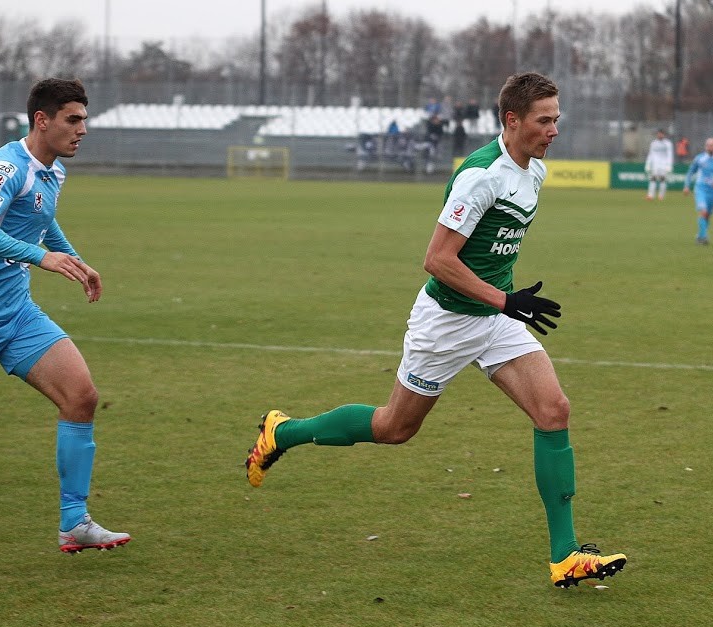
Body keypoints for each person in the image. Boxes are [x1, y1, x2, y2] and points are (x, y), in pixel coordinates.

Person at [245, 72, 626, 589]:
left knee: (553, 410)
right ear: (512, 120)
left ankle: (566, 555)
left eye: (557, 119)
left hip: (494, 318)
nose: (554, 130)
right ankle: (282, 432)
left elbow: (493, 248)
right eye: (544, 120)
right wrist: (506, 299)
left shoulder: (533, 170)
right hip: (446, 323)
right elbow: (438, 259)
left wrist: (503, 302)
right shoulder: (481, 176)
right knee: (394, 428)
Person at [0, 78, 131, 553]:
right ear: (42, 120)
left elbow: (41, 216)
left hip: (12, 315)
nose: (82, 130)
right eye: (73, 120)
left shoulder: (52, 172)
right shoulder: (7, 167)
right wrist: (40, 257)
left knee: (81, 396)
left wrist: (73, 258)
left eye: (84, 120)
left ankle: (75, 522)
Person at [683, 138, 713, 245]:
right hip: (701, 189)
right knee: (703, 212)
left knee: (707, 215)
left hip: (712, 191)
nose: (710, 147)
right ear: (705, 146)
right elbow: (690, 172)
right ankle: (703, 237)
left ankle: (700, 235)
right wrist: (686, 186)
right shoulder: (699, 159)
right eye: (709, 145)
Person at [644, 129, 673, 201]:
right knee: (653, 178)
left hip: (664, 164)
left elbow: (670, 155)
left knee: (663, 179)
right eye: (658, 134)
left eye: (661, 134)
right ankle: (650, 195)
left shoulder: (668, 143)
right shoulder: (653, 143)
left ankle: (661, 196)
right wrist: (648, 164)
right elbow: (650, 154)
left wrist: (669, 165)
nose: (660, 135)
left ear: (664, 135)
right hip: (655, 164)